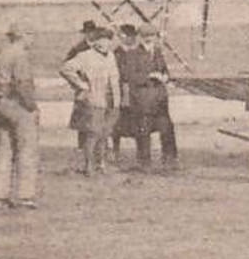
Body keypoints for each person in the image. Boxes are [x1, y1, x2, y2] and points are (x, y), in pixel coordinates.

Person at [59, 27, 121, 175]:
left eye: (108, 40)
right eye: (102, 40)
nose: (105, 43)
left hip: (112, 100)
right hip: (94, 99)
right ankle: (88, 165)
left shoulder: (111, 56)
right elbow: (65, 69)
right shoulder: (84, 56)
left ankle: (101, 164)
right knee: (93, 133)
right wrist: (82, 85)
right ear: (96, 41)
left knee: (105, 133)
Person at [0, 23, 40, 210]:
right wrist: (32, 107)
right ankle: (26, 195)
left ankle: (1, 196)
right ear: (23, 36)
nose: (33, 39)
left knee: (4, 151)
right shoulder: (20, 55)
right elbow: (23, 85)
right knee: (27, 150)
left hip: (1, 104)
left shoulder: (1, 53)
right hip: (18, 105)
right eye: (31, 34)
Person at [117, 24, 177, 171]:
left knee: (167, 129)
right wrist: (150, 76)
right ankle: (144, 162)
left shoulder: (157, 52)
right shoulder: (132, 55)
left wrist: (165, 77)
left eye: (152, 36)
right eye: (147, 36)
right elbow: (128, 76)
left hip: (160, 99)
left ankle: (170, 160)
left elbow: (165, 71)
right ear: (141, 37)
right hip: (142, 99)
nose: (150, 39)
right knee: (143, 131)